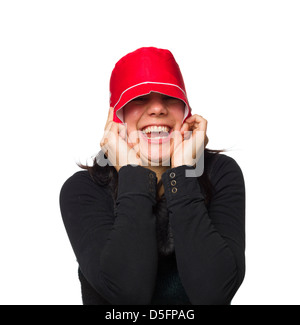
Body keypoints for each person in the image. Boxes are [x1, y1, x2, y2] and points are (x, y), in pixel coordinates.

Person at [59, 47, 246, 305]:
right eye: (139, 98)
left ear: (186, 114)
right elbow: (127, 295)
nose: (157, 108)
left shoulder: (219, 173)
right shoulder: (83, 190)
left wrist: (182, 172)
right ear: (116, 118)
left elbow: (214, 294)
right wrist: (132, 174)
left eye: (170, 98)